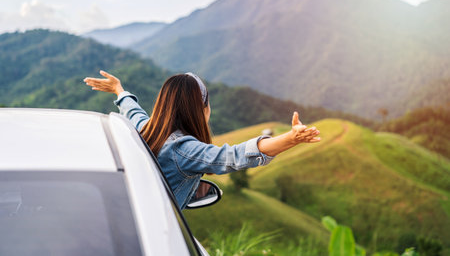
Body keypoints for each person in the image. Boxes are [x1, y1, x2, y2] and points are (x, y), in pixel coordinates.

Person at [84, 70, 321, 210]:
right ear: (201, 109)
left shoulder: (147, 130)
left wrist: (120, 91)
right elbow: (234, 156)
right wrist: (291, 139)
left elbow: (135, 113)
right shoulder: (184, 149)